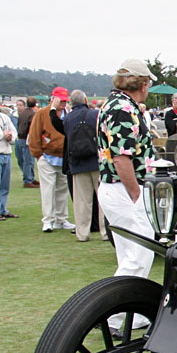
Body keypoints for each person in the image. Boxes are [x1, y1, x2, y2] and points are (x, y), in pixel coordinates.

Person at [97, 58, 157, 288]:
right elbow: (122, 157)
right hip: (124, 188)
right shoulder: (122, 108)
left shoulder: (115, 104)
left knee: (130, 254)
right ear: (142, 84)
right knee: (139, 254)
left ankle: (129, 314)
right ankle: (115, 313)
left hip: (117, 187)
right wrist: (135, 194)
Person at [28, 87, 75, 233]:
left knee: (62, 189)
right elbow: (34, 135)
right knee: (48, 190)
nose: (63, 103)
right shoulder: (42, 114)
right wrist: (38, 155)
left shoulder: (68, 114)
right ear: (53, 99)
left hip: (63, 158)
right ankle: (48, 220)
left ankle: (61, 219)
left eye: (65, 101)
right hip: (47, 157)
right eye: (60, 100)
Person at [63, 90, 105, 242]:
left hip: (78, 163)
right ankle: (106, 231)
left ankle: (82, 233)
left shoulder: (67, 118)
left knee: (82, 201)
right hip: (96, 160)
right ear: (86, 100)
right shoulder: (95, 114)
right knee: (102, 198)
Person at [15, 97, 38, 187]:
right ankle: (28, 180)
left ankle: (30, 178)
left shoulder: (22, 113)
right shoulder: (33, 114)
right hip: (27, 139)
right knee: (28, 161)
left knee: (23, 160)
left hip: (20, 138)